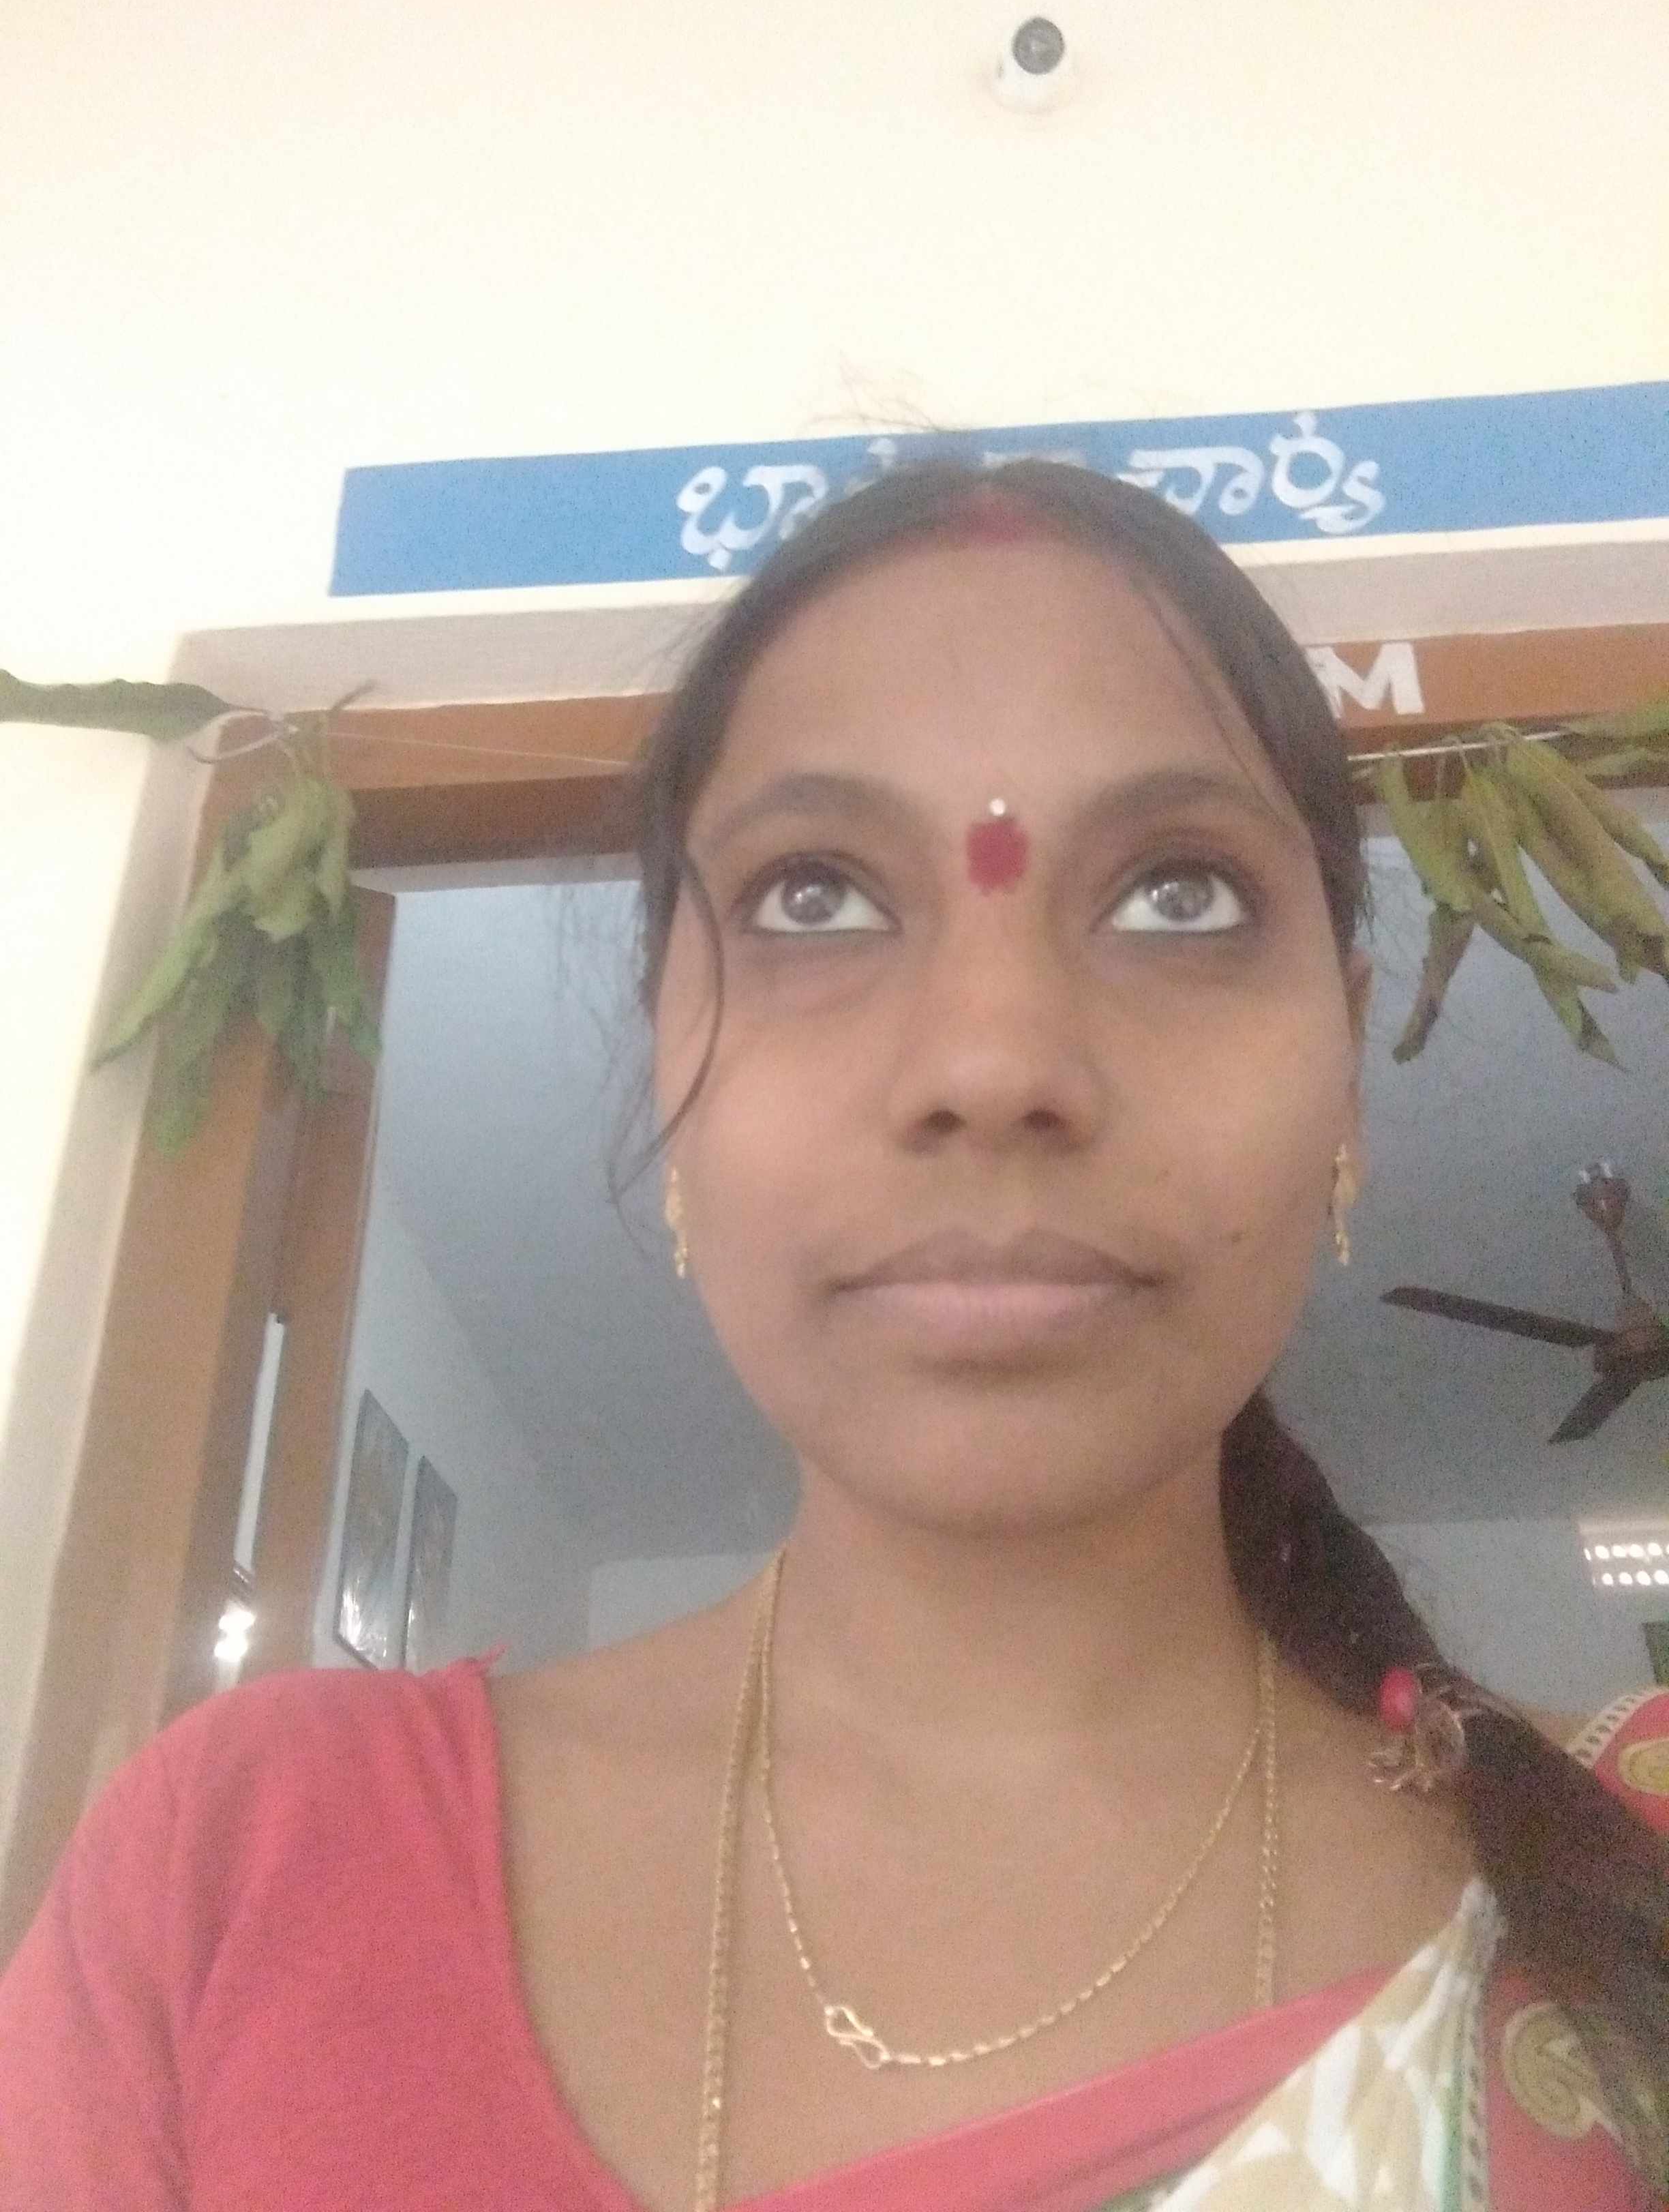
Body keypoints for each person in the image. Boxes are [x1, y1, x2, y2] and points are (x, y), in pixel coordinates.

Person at [3, 460, 1668, 2211]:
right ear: (669, 1065)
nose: (994, 1063)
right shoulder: (246, 1867)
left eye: (1179, 893)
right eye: (816, 895)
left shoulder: (1615, 1893)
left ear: (1344, 1082)